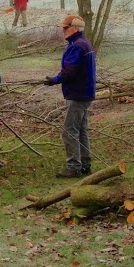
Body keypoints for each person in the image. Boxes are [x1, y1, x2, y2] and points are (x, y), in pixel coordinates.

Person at [41, 14, 96, 178]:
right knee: (81, 130)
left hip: (77, 94)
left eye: (66, 28)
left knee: (69, 131)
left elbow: (69, 71)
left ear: (75, 28)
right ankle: (85, 164)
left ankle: (73, 167)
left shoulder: (78, 46)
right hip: (85, 93)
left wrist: (54, 80)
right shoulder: (84, 44)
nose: (63, 31)